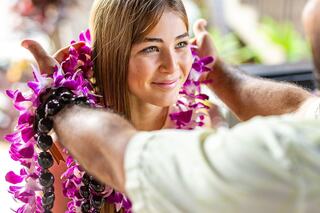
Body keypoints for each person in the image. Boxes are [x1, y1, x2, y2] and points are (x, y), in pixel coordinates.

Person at [23, 1, 320, 212]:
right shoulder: (65, 139)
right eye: (150, 48)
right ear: (111, 55)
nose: (172, 66)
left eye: (180, 44)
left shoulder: (203, 116)